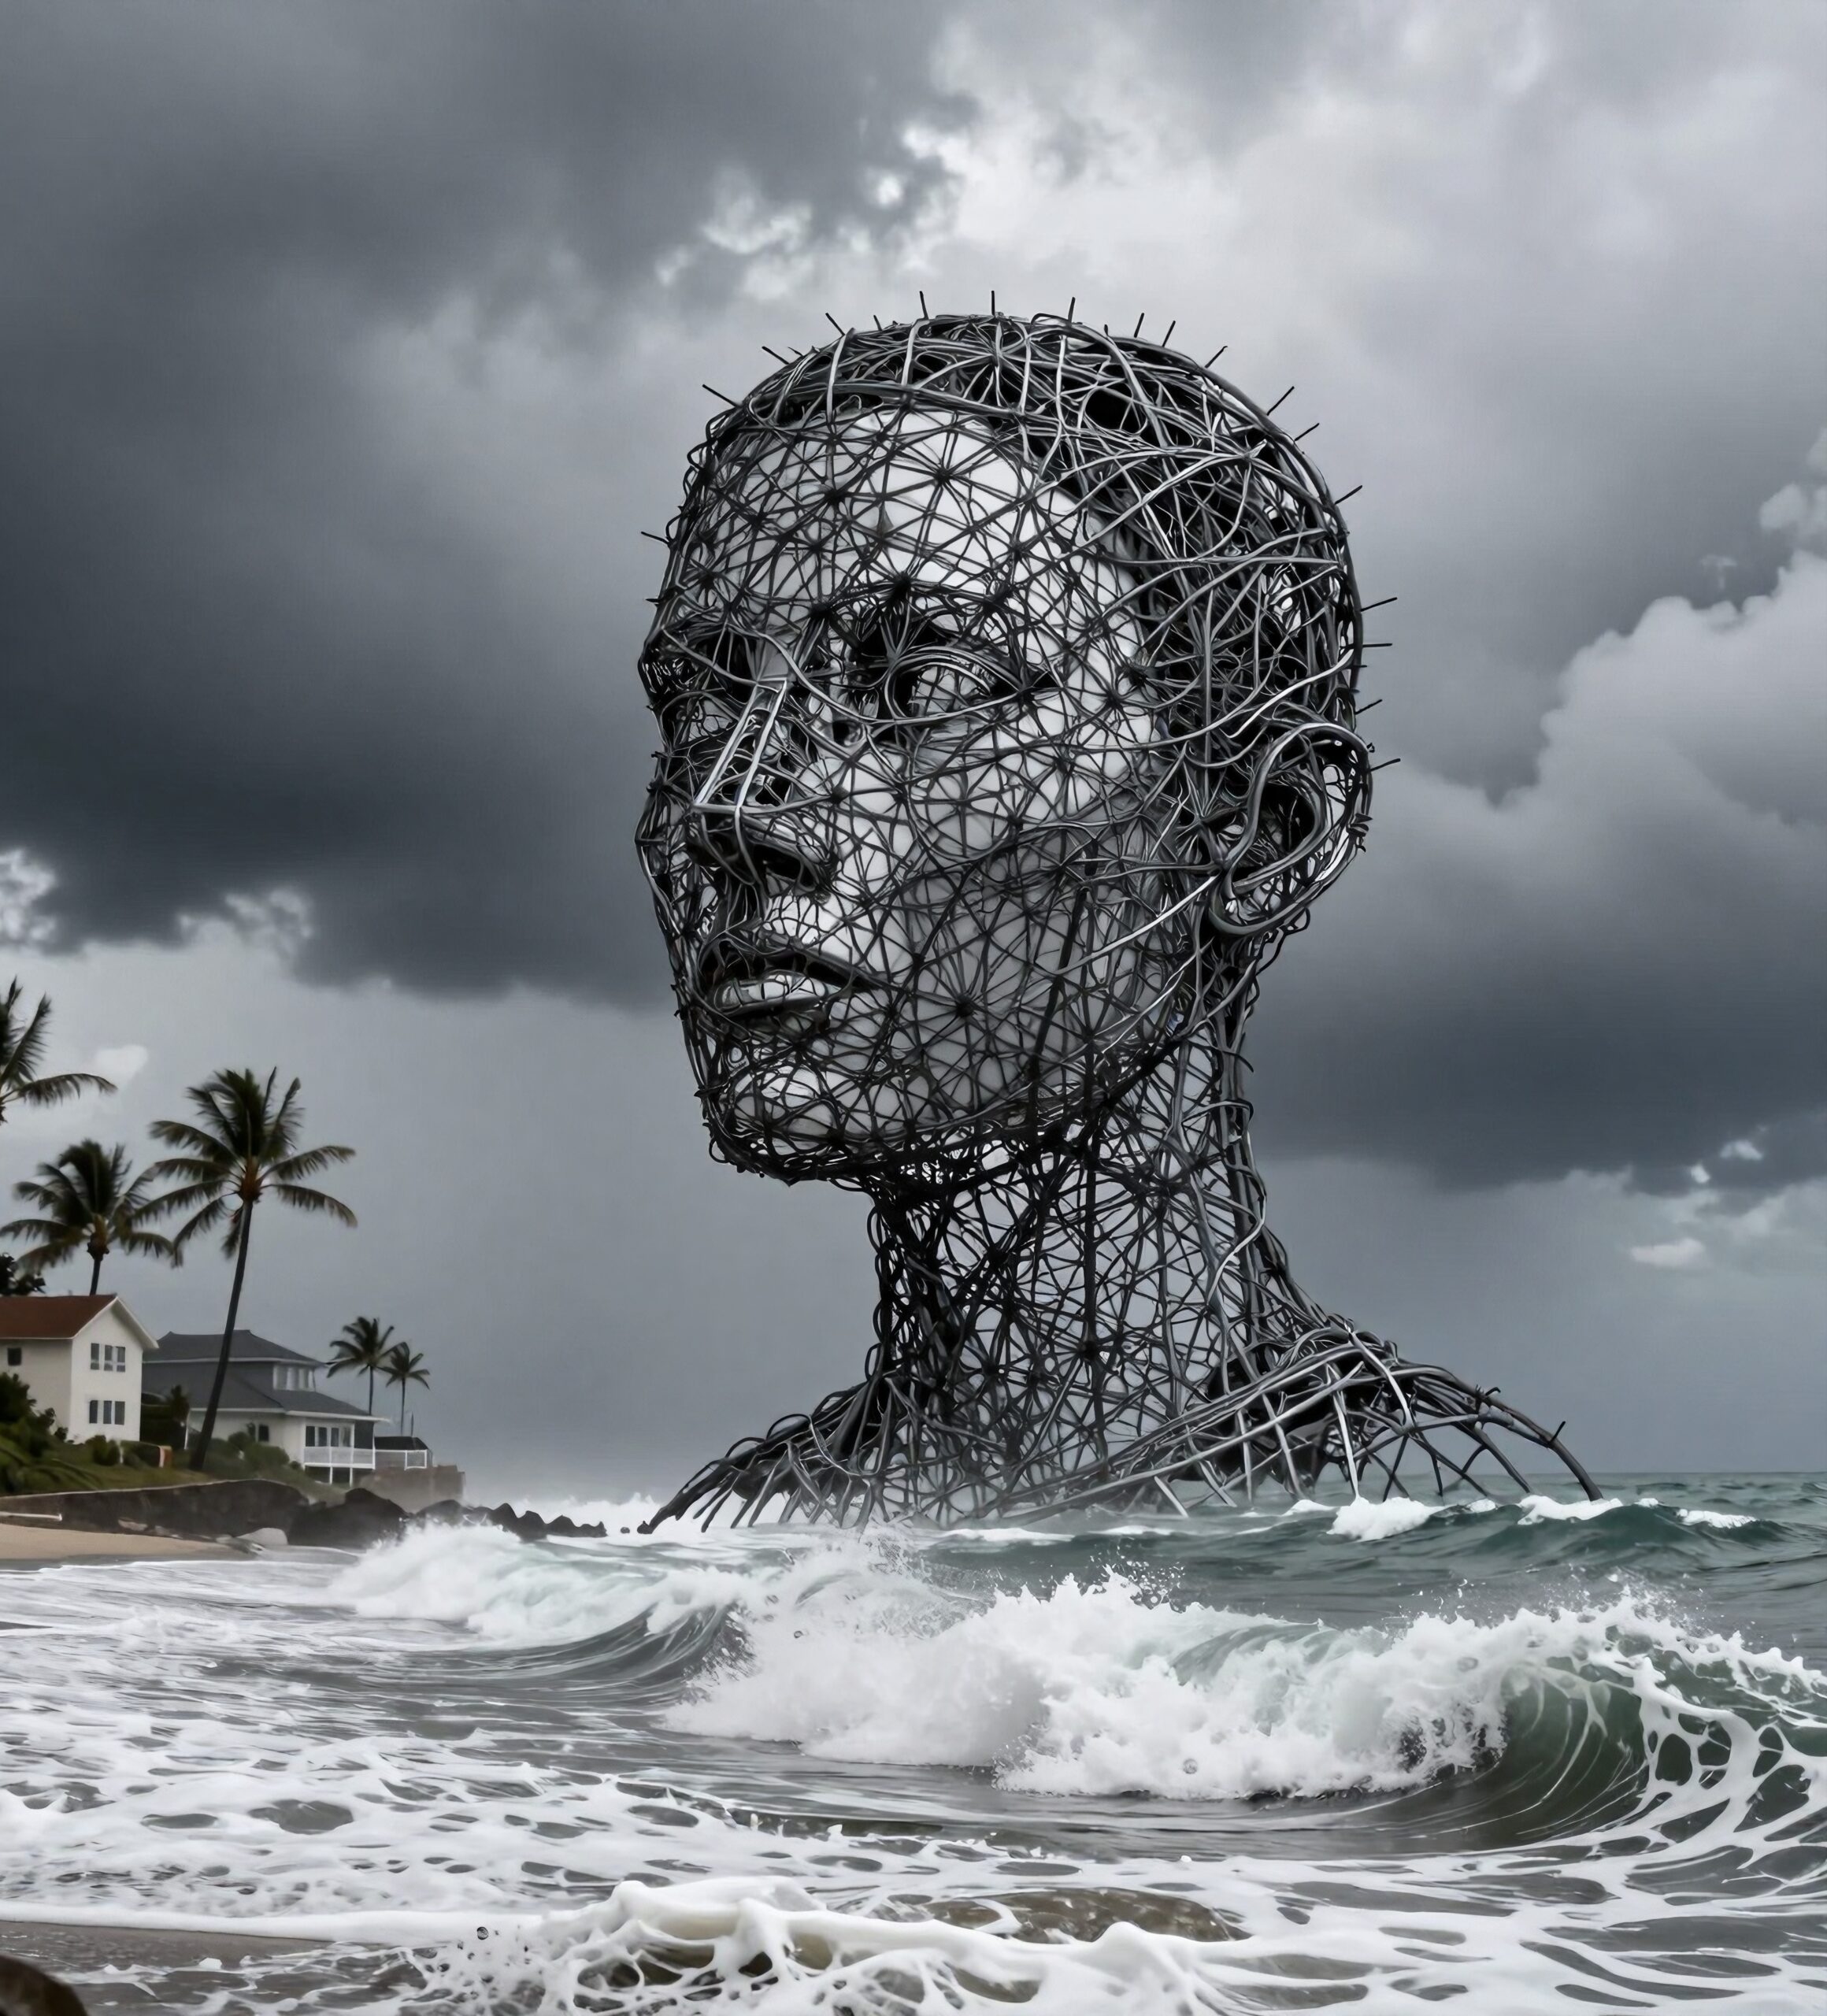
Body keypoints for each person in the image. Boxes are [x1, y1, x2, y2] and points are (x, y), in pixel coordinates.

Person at [636, 312, 1591, 1526]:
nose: (727, 812)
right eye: (697, 710)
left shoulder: (1446, 1530)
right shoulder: (730, 1538)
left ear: (1267, 829)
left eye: (924, 684)